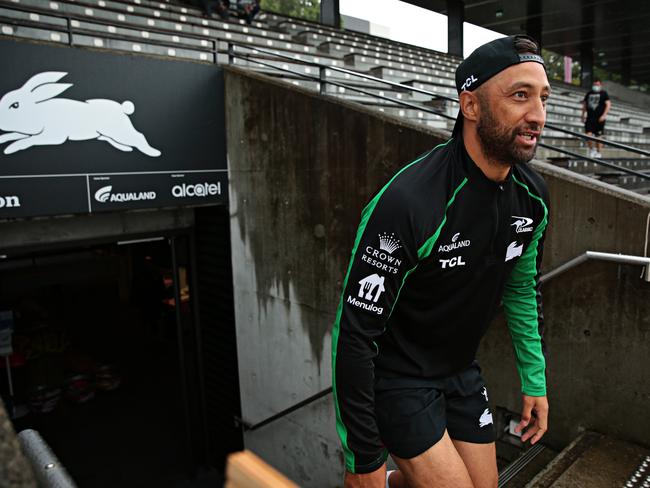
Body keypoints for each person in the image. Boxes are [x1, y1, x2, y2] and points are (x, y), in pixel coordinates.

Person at [331, 35, 551, 488]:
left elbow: (521, 289)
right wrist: (362, 458)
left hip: (460, 369)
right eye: (519, 96)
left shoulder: (533, 199)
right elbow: (353, 335)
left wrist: (535, 378)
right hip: (397, 377)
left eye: (543, 98)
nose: (538, 116)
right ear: (470, 105)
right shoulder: (410, 201)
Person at [581, 79, 611, 158]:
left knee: (599, 137)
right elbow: (584, 104)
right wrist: (583, 115)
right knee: (588, 135)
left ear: (600, 85)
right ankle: (592, 149)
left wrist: (604, 115)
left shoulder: (604, 93)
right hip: (590, 118)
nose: (595, 86)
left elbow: (608, 104)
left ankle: (599, 152)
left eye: (597, 85)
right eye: (594, 84)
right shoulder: (589, 93)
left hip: (599, 118)